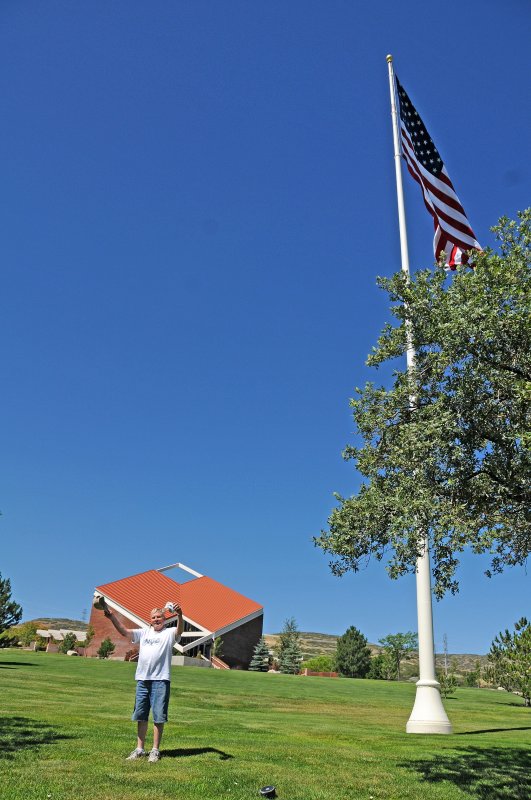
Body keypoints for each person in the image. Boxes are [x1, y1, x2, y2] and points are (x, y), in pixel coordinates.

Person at [94, 596, 183, 762]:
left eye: (159, 617)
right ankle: (140, 749)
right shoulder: (144, 632)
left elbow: (179, 631)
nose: (157, 619)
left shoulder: (169, 633)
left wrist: (180, 615)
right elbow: (124, 632)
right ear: (150, 620)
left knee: (158, 716)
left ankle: (155, 750)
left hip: (161, 680)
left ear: (165, 619)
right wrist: (112, 616)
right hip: (142, 679)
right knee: (141, 715)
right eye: (154, 617)